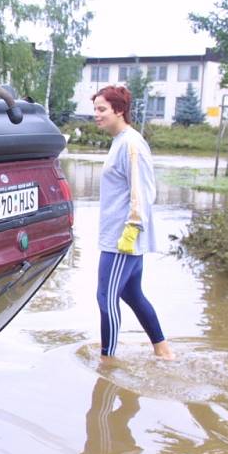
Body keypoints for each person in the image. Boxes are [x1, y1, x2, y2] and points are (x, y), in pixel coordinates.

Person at [92, 85, 175, 360]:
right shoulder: (120, 141)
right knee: (132, 295)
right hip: (118, 235)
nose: (96, 114)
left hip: (122, 239)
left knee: (106, 298)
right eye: (95, 109)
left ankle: (108, 359)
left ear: (119, 110)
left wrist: (132, 229)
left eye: (102, 109)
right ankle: (163, 350)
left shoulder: (131, 144)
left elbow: (143, 190)